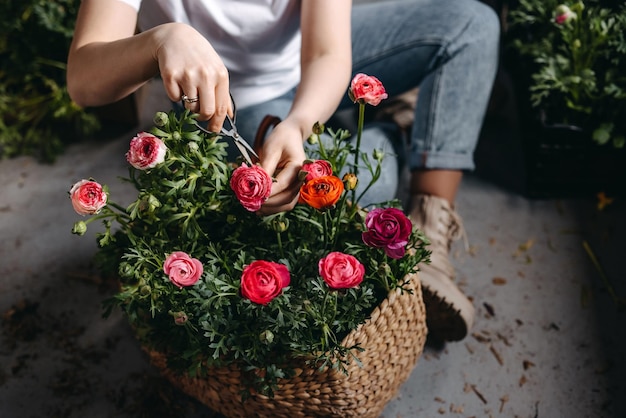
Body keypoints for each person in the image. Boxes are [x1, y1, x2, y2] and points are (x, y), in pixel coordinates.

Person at [67, 0, 500, 342]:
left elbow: (327, 52)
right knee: (363, 187)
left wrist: (298, 123)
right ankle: (392, 130)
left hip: (308, 58)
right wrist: (160, 40)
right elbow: (84, 79)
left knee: (472, 24)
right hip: (234, 101)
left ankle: (429, 223)